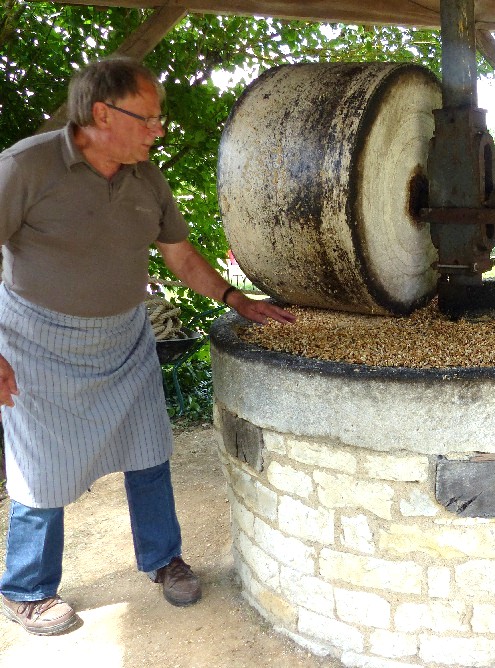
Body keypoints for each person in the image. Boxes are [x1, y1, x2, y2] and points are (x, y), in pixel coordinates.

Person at [0, 57, 295, 635]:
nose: (159, 130)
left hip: (123, 337)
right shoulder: (25, 167)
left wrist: (236, 300)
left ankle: (164, 559)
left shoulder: (147, 179)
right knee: (40, 466)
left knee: (149, 452)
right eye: (149, 118)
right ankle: (27, 588)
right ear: (102, 114)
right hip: (36, 341)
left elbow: (180, 256)